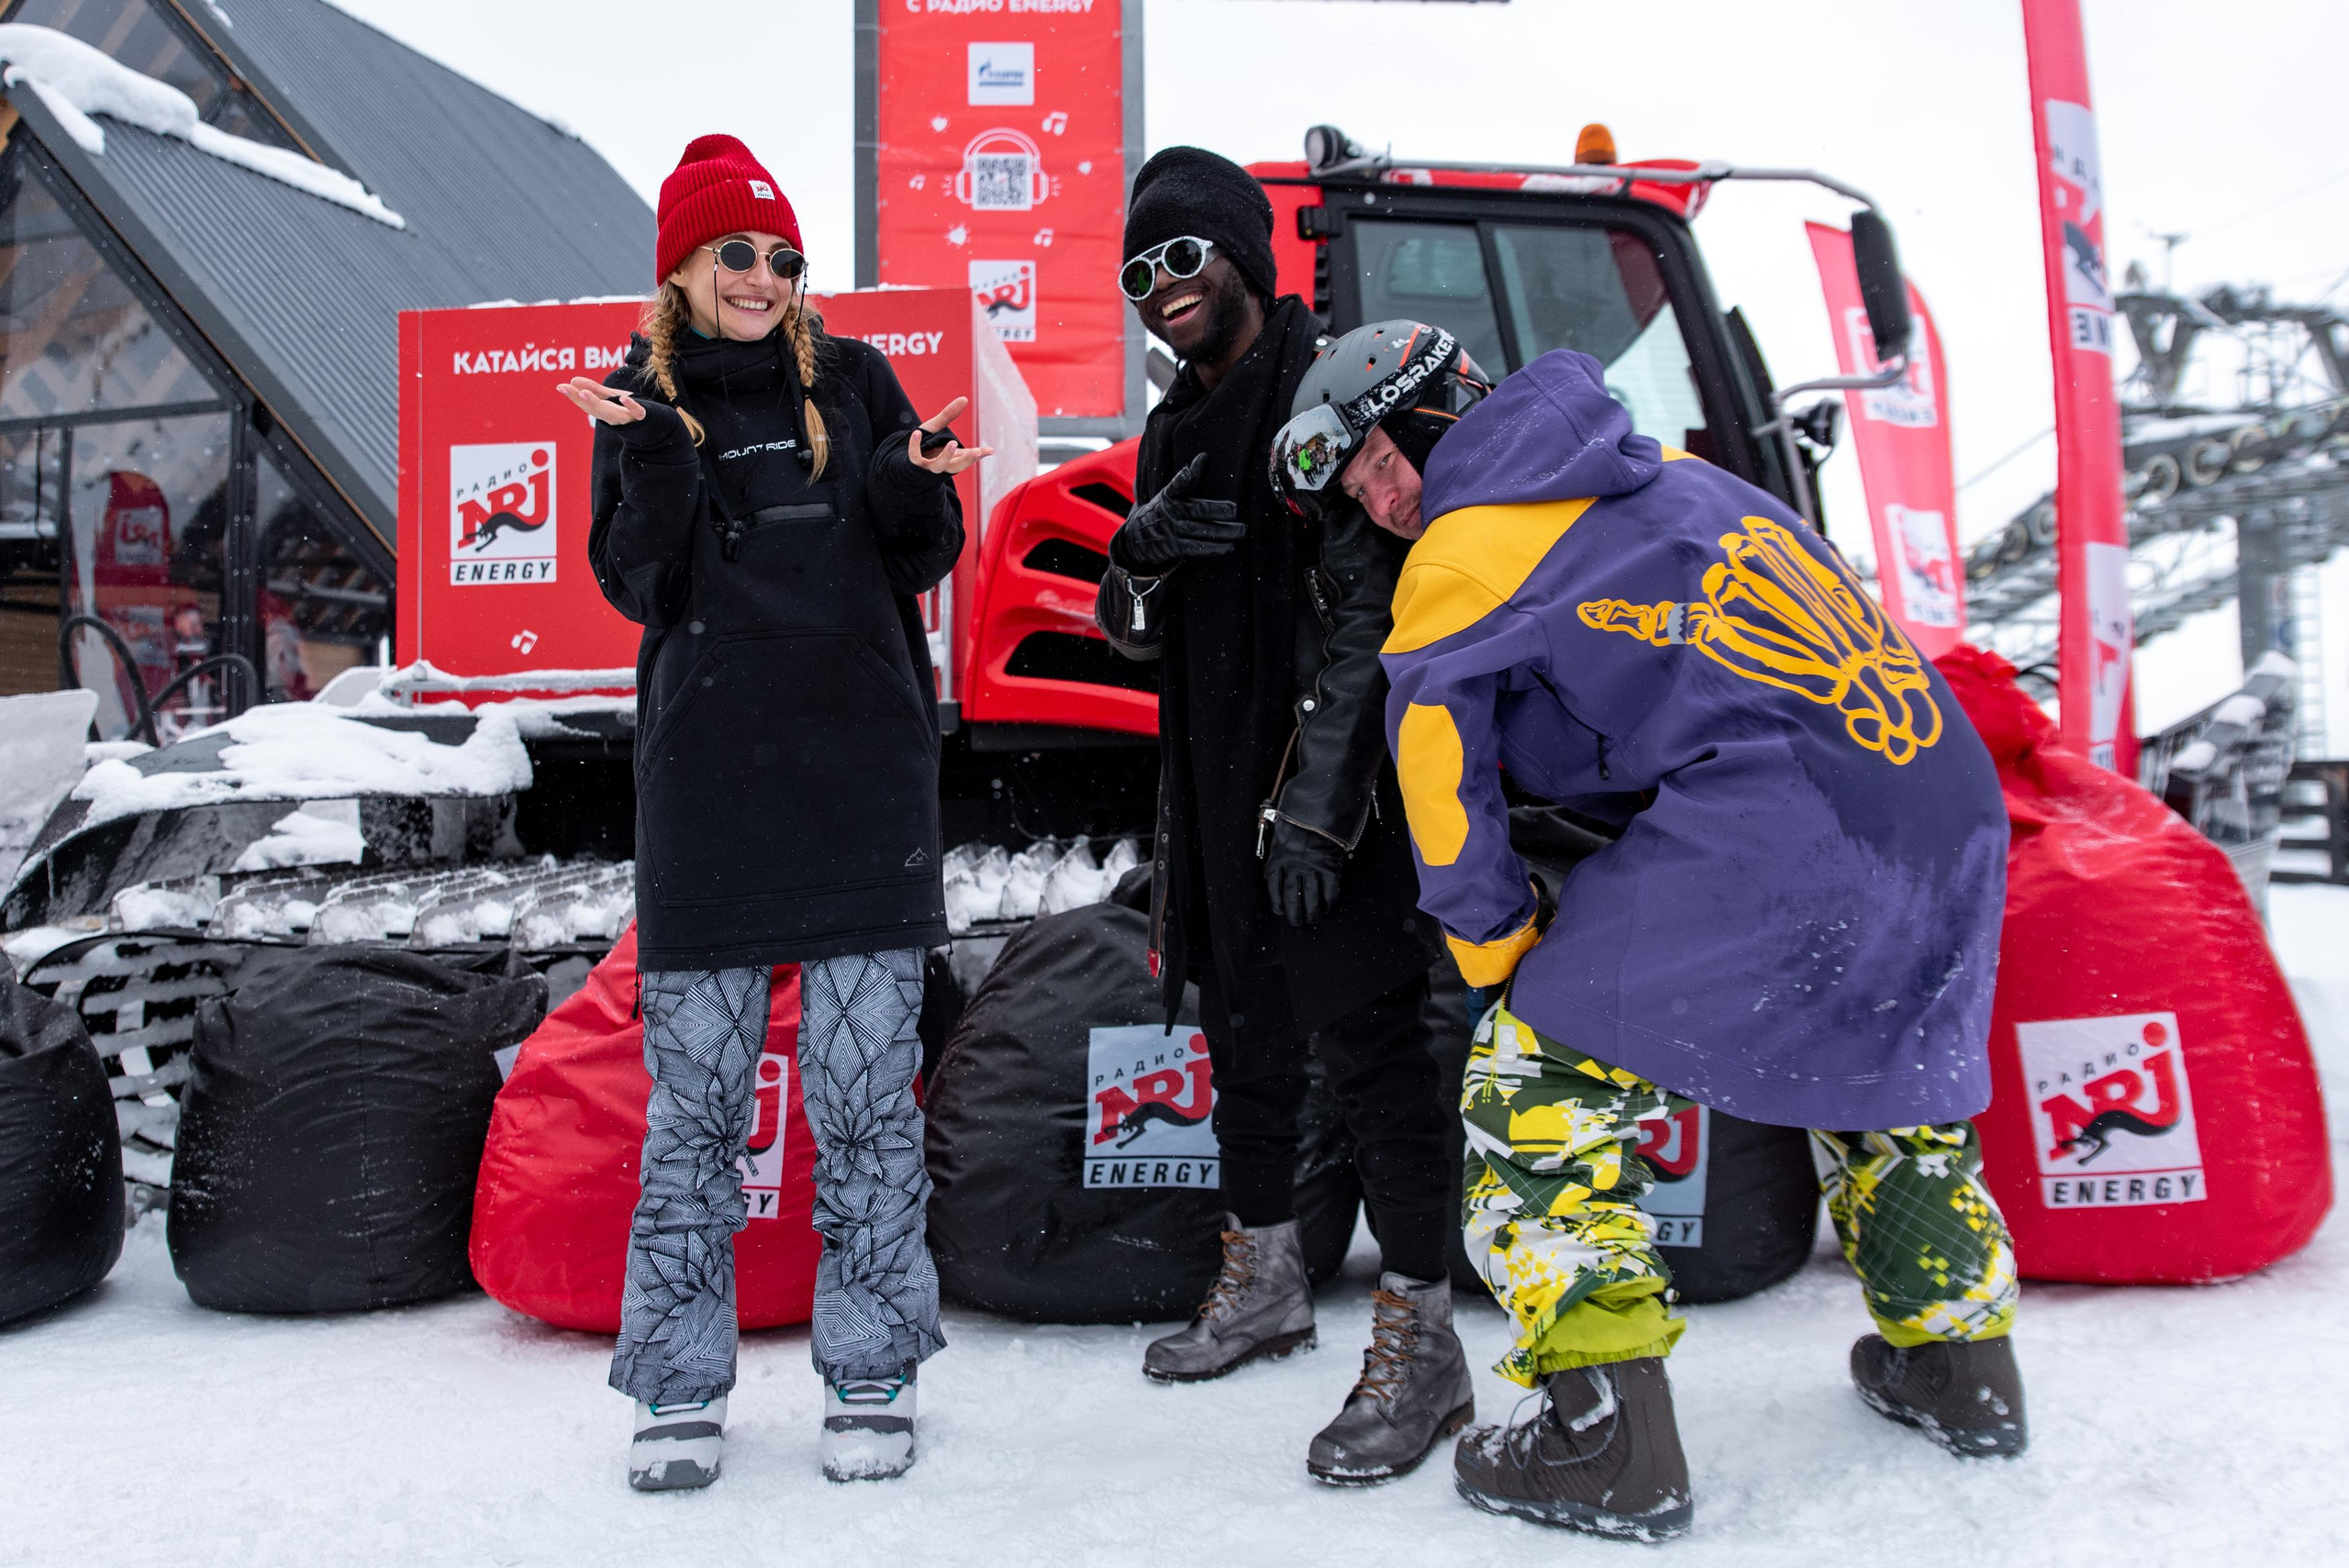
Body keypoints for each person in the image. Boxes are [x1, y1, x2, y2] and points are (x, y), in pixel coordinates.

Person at [1274, 328, 2024, 1540]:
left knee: (1531, 1086)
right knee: (1879, 1056)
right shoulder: (1678, 477)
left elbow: (1439, 775)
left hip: (1789, 820)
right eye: (1357, 494)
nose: (1382, 503)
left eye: (1375, 465)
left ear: (1428, 411)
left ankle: (1607, 1436)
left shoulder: (1465, 550)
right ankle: (1963, 1366)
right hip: (1939, 797)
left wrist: (1500, 963)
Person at [561, 134, 988, 1492]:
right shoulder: (640, 400)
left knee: (868, 1101)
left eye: (784, 256)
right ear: (683, 266)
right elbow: (637, 585)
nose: (765, 276)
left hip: (863, 790)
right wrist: (665, 464)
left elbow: (918, 555)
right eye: (738, 252)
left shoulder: (855, 379)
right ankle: (679, 1383)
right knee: (696, 1112)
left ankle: (873, 1364)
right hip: (711, 799)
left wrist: (912, 477)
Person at [1093, 149, 1470, 1486]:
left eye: (1182, 258)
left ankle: (1425, 1346)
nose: (1161, 291)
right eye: (1140, 272)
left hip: (1332, 793)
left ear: (1244, 257)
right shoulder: (1168, 426)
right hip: (1209, 783)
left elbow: (1375, 624)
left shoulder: (1329, 382)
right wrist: (1135, 560)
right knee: (1242, 1037)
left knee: (1374, 1060)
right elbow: (1138, 639)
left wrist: (1319, 815)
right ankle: (1262, 1282)